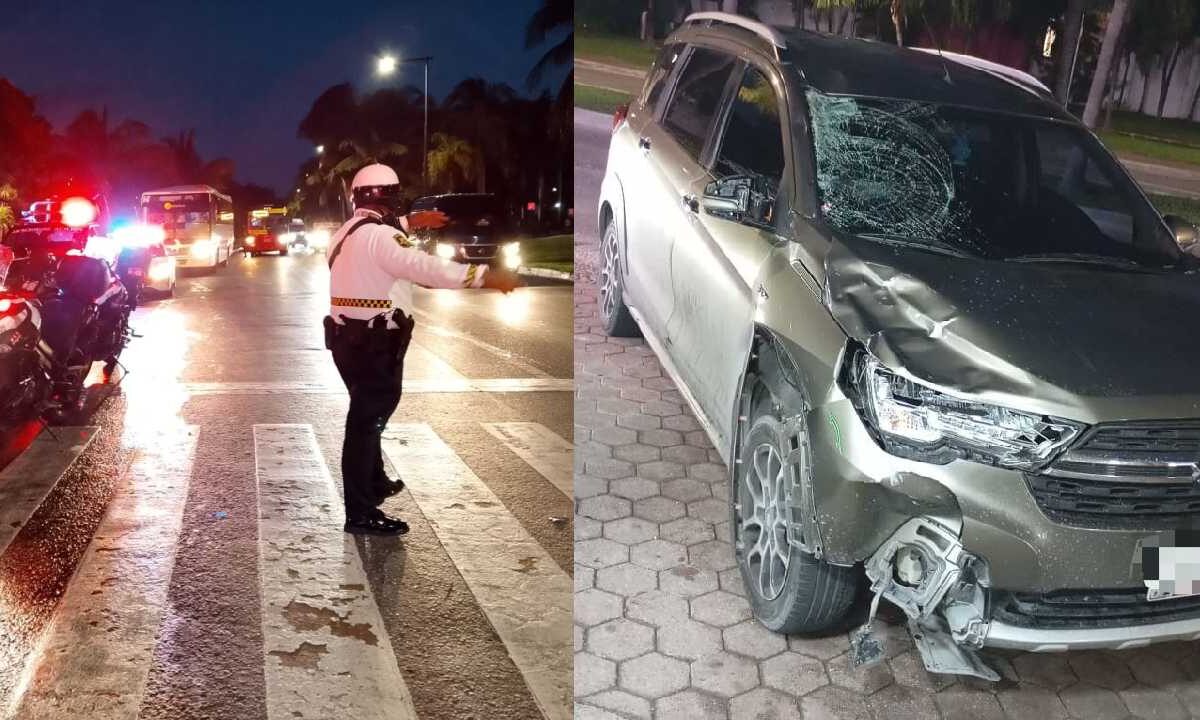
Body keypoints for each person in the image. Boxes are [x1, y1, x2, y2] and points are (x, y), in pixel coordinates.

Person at [325, 163, 520, 536]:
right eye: (394, 197)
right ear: (386, 197)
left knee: (368, 418)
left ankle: (376, 481)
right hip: (375, 344)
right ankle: (360, 512)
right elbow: (420, 265)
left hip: (346, 342)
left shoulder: (344, 234)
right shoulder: (381, 238)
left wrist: (412, 223)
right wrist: (482, 276)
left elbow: (379, 238)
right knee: (366, 424)